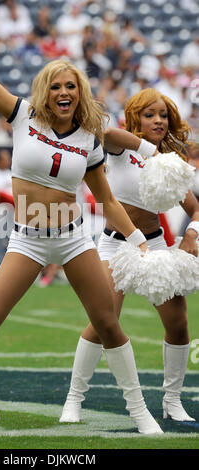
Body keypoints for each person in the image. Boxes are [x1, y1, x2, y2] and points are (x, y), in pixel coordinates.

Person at [0, 26, 164, 440]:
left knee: (107, 322)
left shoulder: (89, 138)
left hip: (74, 237)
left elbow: (107, 200)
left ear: (79, 93)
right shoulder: (22, 115)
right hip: (27, 237)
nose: (63, 92)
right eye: (55, 87)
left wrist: (141, 244)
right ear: (44, 92)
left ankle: (140, 413)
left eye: (71, 86)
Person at [60, 88, 199, 424]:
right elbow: (106, 133)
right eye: (150, 114)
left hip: (156, 247)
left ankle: (172, 401)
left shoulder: (171, 161)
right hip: (115, 244)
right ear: (136, 117)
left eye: (163, 115)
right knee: (103, 321)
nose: (159, 121)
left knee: (178, 324)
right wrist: (149, 149)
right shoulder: (122, 149)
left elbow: (194, 208)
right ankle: (74, 399)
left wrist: (192, 235)